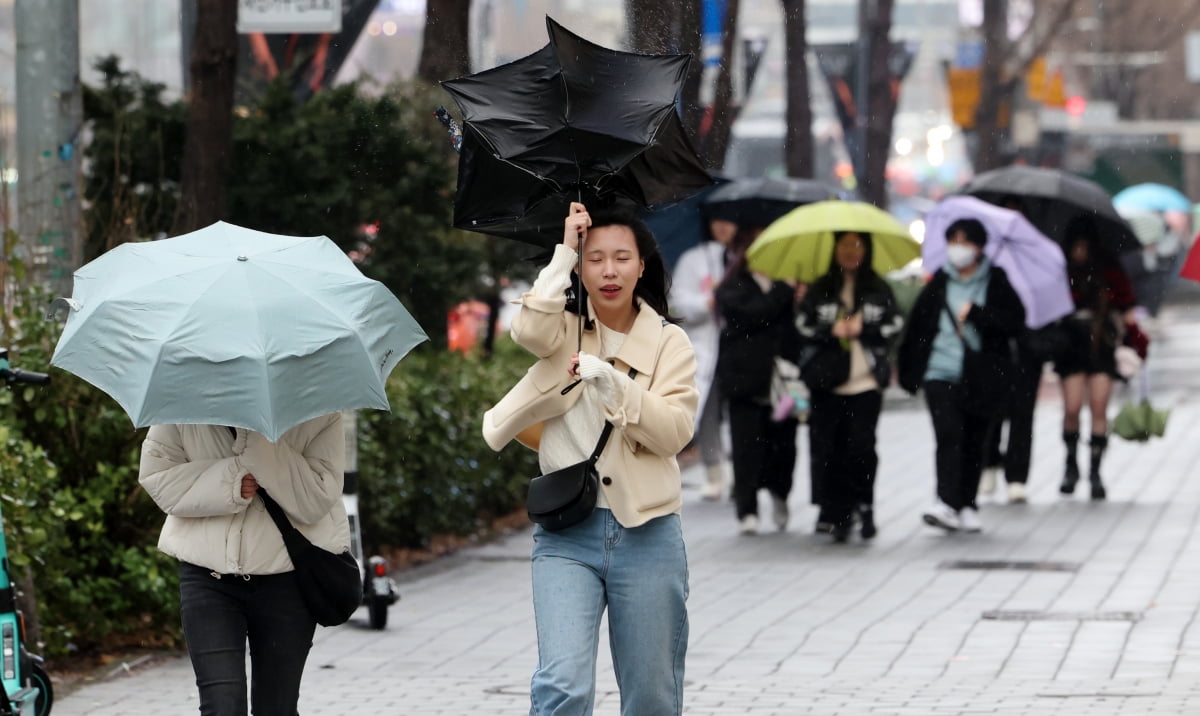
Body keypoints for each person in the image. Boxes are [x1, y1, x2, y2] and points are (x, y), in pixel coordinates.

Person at [482, 202, 698, 715]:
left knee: (652, 696)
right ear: (582, 267)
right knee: (562, 687)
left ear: (642, 265)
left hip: (648, 534)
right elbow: (528, 331)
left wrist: (614, 383)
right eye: (595, 258)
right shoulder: (564, 331)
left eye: (622, 257)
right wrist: (563, 250)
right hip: (565, 534)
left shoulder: (670, 343)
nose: (609, 270)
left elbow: (674, 432)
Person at [138, 413, 348, 716]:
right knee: (222, 707)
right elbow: (158, 477)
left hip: (287, 579)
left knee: (276, 709)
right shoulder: (182, 405)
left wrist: (260, 443)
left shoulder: (320, 410)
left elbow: (316, 499)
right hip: (208, 577)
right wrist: (231, 479)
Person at [898, 218, 1025, 533]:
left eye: (965, 241)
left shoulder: (995, 280)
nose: (958, 247)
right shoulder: (939, 282)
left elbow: (1014, 322)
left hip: (982, 374)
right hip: (940, 371)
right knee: (949, 434)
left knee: (973, 439)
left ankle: (967, 503)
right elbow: (918, 328)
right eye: (953, 240)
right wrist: (909, 371)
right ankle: (946, 501)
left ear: (980, 247)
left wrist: (979, 315)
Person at [797, 231, 903, 542]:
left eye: (857, 245)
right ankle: (834, 511)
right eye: (844, 245)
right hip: (826, 382)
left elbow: (894, 323)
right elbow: (802, 325)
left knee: (862, 448)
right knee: (828, 448)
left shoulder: (878, 288)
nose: (850, 251)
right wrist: (831, 329)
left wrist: (865, 328)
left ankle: (864, 504)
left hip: (866, 381)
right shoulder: (820, 288)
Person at [715, 226, 802, 535]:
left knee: (784, 445)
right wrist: (784, 293)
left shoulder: (789, 287)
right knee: (746, 446)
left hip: (784, 383)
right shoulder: (732, 288)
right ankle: (747, 508)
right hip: (745, 382)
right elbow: (754, 315)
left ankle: (780, 494)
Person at [1054, 219, 1139, 500]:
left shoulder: (1110, 271)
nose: (1079, 251)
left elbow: (1127, 308)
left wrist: (1136, 344)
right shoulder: (1060, 271)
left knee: (1099, 408)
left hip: (1101, 346)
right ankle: (1071, 463)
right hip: (1071, 346)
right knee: (1072, 407)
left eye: (1083, 246)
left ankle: (1095, 471)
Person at [670, 216, 737, 500]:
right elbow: (680, 303)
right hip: (705, 347)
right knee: (707, 411)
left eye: (729, 221)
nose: (723, 226)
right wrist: (706, 303)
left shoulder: (744, 257)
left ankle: (738, 471)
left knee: (737, 412)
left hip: (737, 345)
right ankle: (714, 473)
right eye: (718, 219)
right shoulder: (693, 260)